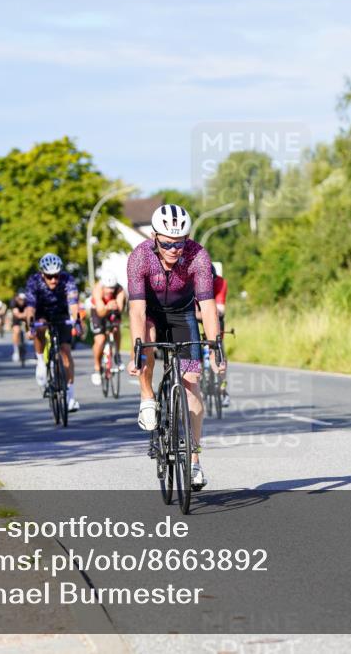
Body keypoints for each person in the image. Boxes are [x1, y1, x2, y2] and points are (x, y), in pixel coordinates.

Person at [126, 204, 224, 489]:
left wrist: (217, 349)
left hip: (182, 315)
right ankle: (147, 396)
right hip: (150, 313)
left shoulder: (198, 255)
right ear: (155, 237)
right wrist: (136, 351)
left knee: (192, 382)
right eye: (168, 243)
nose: (174, 249)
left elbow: (207, 307)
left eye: (179, 243)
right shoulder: (139, 257)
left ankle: (194, 462)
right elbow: (136, 310)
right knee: (145, 343)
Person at [24, 253, 82, 412]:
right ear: (43, 274)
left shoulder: (67, 279)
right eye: (49, 277)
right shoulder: (34, 281)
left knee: (66, 350)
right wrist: (31, 326)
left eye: (56, 276)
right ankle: (41, 362)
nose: (53, 280)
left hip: (61, 313)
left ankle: (70, 397)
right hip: (42, 312)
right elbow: (30, 307)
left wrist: (76, 322)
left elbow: (73, 303)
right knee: (40, 327)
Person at [195, 263, 230, 406]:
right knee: (194, 343)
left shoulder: (220, 282)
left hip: (215, 315)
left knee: (219, 348)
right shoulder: (192, 283)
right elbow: (191, 310)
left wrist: (210, 312)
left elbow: (220, 310)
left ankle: (223, 389)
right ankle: (198, 382)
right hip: (196, 314)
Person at [90, 272, 126, 386]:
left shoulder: (119, 289)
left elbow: (120, 308)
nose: (110, 291)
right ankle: (96, 368)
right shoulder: (97, 289)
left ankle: (117, 354)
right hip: (97, 310)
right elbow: (100, 312)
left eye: (112, 288)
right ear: (103, 286)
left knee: (115, 328)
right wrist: (107, 306)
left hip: (112, 309)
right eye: (108, 288)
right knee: (100, 339)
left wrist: (114, 306)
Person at [9, 290, 28, 363]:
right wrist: (23, 315)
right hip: (16, 317)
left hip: (26, 316)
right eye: (20, 299)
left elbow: (28, 311)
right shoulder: (13, 302)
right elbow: (16, 313)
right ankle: (16, 350)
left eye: (23, 299)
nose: (22, 301)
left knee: (30, 331)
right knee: (16, 330)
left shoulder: (27, 301)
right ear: (17, 298)